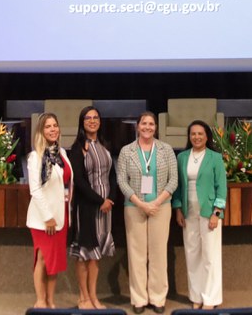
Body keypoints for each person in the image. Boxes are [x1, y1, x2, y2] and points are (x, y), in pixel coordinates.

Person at [117, 111, 178, 314]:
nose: (148, 127)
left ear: (156, 128)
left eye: (151, 124)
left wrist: (156, 202)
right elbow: (121, 181)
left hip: (161, 207)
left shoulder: (166, 149)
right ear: (137, 126)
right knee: (137, 255)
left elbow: (173, 180)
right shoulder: (127, 151)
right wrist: (141, 204)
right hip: (134, 207)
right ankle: (139, 299)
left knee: (159, 254)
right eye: (144, 123)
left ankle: (158, 298)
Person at [172, 120, 227, 310]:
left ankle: (210, 299)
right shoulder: (182, 157)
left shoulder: (215, 157)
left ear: (207, 137)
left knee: (210, 256)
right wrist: (178, 208)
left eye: (200, 134)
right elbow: (178, 187)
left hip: (209, 212)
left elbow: (221, 188)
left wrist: (216, 213)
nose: (196, 137)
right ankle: (196, 296)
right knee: (192, 254)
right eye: (193, 134)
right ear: (189, 137)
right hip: (188, 212)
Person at [69, 106, 117, 310]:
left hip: (106, 208)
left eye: (95, 117)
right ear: (82, 122)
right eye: (88, 118)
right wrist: (100, 201)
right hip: (87, 206)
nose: (92, 121)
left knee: (96, 255)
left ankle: (94, 296)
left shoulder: (105, 144)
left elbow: (112, 176)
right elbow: (79, 181)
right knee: (85, 253)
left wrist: (111, 199)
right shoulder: (77, 147)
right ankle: (83, 297)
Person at [26, 112, 73, 309]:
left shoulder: (62, 154)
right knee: (43, 258)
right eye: (48, 126)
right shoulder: (35, 156)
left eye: (55, 125)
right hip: (43, 218)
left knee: (55, 260)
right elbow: (35, 190)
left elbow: (68, 182)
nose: (53, 129)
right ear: (40, 131)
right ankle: (40, 300)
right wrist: (48, 217)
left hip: (61, 214)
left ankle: (51, 301)